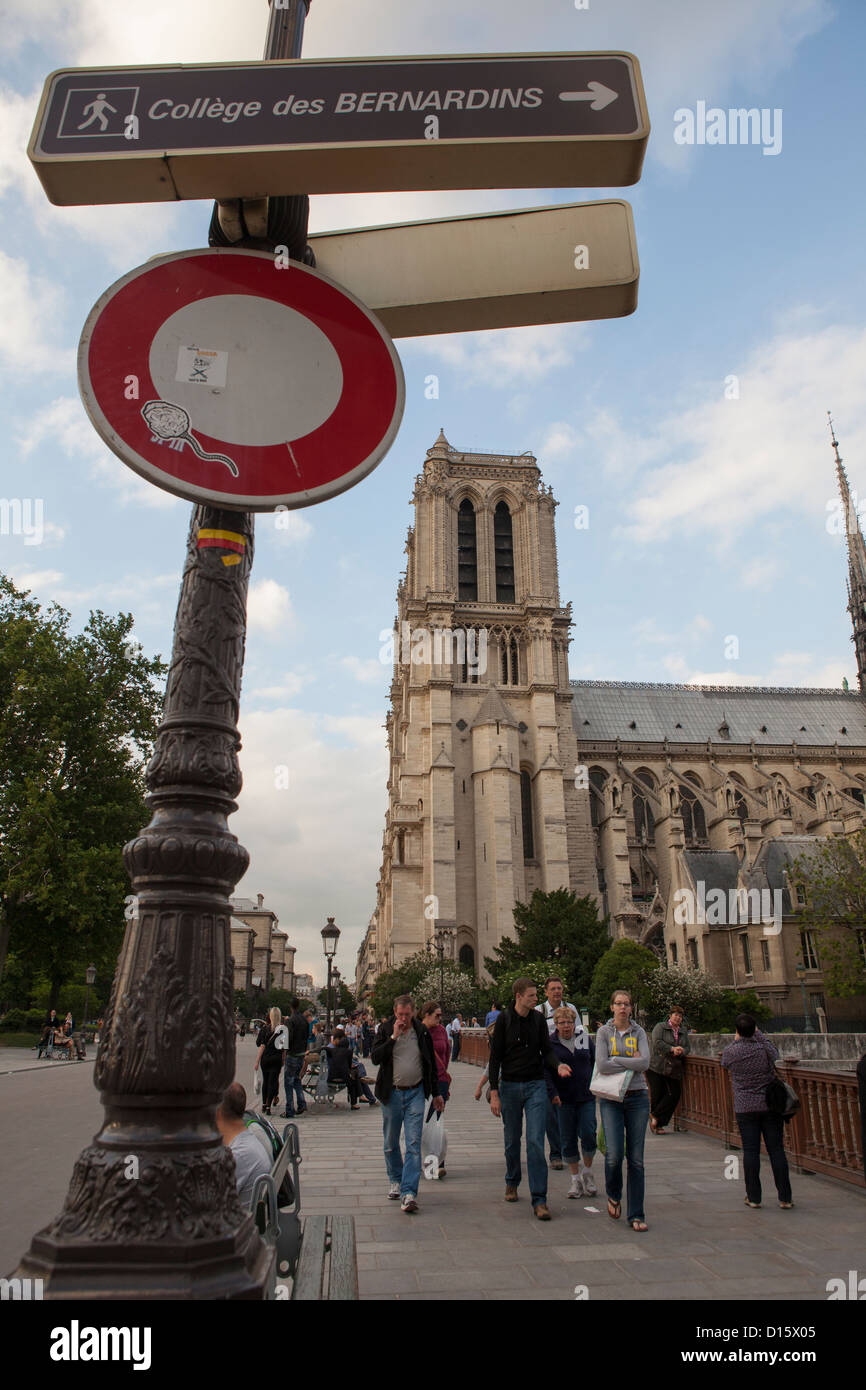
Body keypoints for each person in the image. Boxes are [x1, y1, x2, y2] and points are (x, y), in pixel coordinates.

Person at [488, 978, 572, 1220]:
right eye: (532, 996)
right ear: (519, 996)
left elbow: (546, 1050)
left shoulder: (537, 1020)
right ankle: (512, 1180)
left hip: (535, 1085)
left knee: (535, 1142)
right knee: (512, 1140)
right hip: (510, 1086)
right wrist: (494, 1092)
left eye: (537, 995)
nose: (536, 999)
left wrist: (558, 1066)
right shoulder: (503, 1019)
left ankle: (539, 1199)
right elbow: (495, 1059)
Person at [372, 994, 442, 1213]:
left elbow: (429, 1063)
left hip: (415, 1093)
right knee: (391, 1142)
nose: (403, 1018)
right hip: (391, 1094)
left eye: (407, 1014)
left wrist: (437, 1093)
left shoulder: (421, 1031)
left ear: (413, 1012)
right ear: (395, 1013)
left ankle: (409, 1192)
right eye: (400, 1014)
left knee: (413, 1143)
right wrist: (393, 1037)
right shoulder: (384, 1030)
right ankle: (395, 1178)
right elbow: (375, 1057)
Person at [721, 1014, 793, 1209]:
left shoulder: (731, 1051)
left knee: (751, 1151)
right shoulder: (763, 1049)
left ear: (737, 1031)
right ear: (755, 1030)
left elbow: (724, 1063)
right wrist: (759, 1035)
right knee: (776, 1150)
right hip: (770, 1106)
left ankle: (753, 1197)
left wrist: (737, 1040)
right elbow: (775, 1053)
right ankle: (785, 1197)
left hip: (745, 1107)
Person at [596, 989, 651, 1232]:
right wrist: (629, 1058)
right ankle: (614, 1193)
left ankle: (636, 1214)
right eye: (618, 1004)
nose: (622, 1008)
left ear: (631, 1008)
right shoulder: (603, 1032)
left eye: (626, 1004)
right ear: (612, 1007)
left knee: (636, 1159)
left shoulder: (639, 1032)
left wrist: (615, 1058)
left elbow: (645, 1063)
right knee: (615, 1154)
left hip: (638, 1096)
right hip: (611, 1098)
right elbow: (601, 1065)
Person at [545, 1006, 598, 1198]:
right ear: (556, 1025)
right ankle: (575, 1179)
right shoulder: (551, 1043)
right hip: (564, 1098)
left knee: (589, 1132)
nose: (566, 1026)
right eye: (562, 1023)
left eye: (569, 1022)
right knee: (567, 1138)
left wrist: (596, 1084)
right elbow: (547, 1071)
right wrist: (552, 1093)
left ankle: (588, 1172)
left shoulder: (584, 1038)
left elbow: (595, 1061)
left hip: (586, 1095)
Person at [536, 976, 580, 1170]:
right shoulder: (539, 1011)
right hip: (547, 1067)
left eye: (559, 988)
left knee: (568, 1109)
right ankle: (556, 1153)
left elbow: (580, 1033)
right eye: (553, 988)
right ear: (546, 991)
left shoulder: (571, 1008)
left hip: (568, 1065)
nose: (557, 991)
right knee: (550, 1113)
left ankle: (567, 1149)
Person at [215, 1082, 271, 1207]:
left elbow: (213, 1204)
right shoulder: (247, 1140)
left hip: (238, 1223)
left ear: (217, 1111)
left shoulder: (238, 1154)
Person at [421, 1001, 452, 1175]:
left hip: (439, 1081)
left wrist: (443, 1075)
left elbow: (446, 1053)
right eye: (437, 1015)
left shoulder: (441, 1031)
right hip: (424, 1084)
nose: (440, 1018)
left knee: (437, 1124)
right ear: (426, 1014)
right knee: (425, 1126)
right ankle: (429, 1164)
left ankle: (437, 1165)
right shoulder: (419, 1031)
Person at [647, 1006, 690, 1134]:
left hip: (673, 1067)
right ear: (670, 1016)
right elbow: (657, 1042)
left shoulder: (683, 1031)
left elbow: (688, 1047)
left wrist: (682, 1051)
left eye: (680, 1016)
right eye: (675, 1015)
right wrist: (672, 1049)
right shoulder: (661, 1027)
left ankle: (654, 1115)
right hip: (657, 1065)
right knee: (657, 1094)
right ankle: (657, 1126)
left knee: (675, 1093)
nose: (678, 1018)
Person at [280, 998, 308, 1119]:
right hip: (301, 1053)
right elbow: (307, 1036)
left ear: (290, 1007)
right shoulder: (304, 1020)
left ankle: (289, 1109)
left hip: (292, 1054)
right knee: (297, 1079)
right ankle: (302, 1103)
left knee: (288, 1082)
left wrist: (284, 1052)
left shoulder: (290, 1021)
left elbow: (288, 1039)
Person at [254, 1007, 283, 1116]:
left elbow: (260, 1045)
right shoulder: (282, 1029)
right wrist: (283, 1061)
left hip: (265, 1058)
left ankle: (263, 1104)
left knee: (266, 1081)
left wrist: (257, 1061)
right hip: (276, 1058)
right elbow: (283, 1048)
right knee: (273, 1081)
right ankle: (269, 1106)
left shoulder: (265, 1029)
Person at [325, 1028, 362, 1108]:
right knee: (353, 1082)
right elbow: (348, 1066)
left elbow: (324, 1048)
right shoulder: (348, 1052)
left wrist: (310, 1051)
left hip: (330, 1076)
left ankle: (361, 1096)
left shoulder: (333, 1050)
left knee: (354, 1078)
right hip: (342, 1077)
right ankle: (354, 1103)